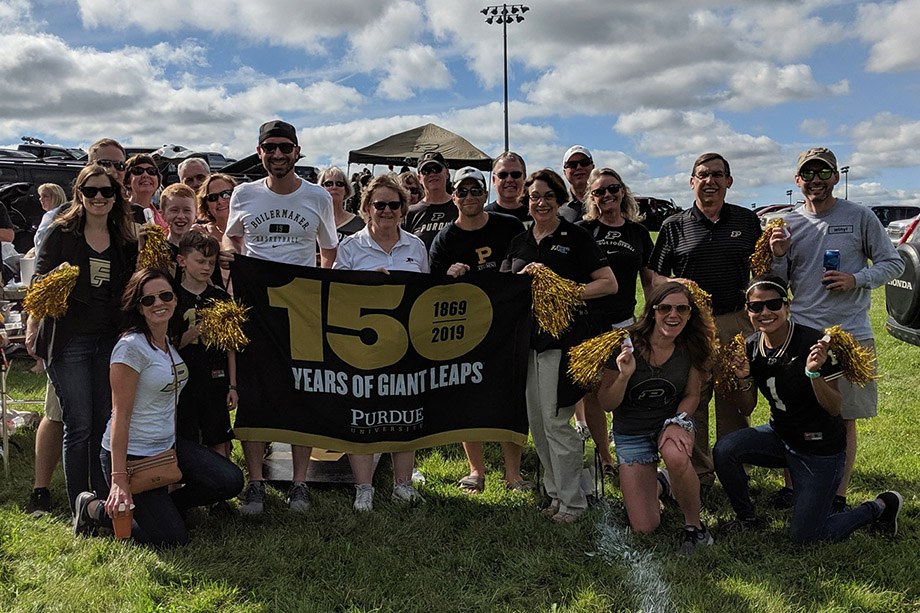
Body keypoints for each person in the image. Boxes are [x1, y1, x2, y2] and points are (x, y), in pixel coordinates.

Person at [713, 275, 903, 543]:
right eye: (756, 307)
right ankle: (747, 518)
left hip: (819, 448)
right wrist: (743, 378)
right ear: (748, 310)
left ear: (787, 306)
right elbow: (748, 407)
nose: (765, 312)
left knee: (807, 537)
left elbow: (835, 407)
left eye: (773, 304)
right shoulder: (751, 346)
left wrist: (813, 374)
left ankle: (880, 507)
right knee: (725, 449)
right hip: (781, 436)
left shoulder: (812, 344)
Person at [768, 147, 904, 511]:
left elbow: (893, 263)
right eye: (808, 174)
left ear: (836, 177)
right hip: (802, 332)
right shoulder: (788, 224)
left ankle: (839, 495)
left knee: (844, 417)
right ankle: (793, 488)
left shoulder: (859, 216)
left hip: (851, 334)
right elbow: (778, 284)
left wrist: (856, 279)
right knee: (796, 414)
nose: (816, 180)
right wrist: (779, 255)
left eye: (823, 173)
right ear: (797, 181)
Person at [72, 268, 243, 546]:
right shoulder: (130, 347)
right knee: (171, 538)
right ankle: (94, 509)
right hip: (132, 457)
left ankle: (160, 508)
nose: (158, 303)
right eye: (148, 300)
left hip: (167, 448)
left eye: (165, 295)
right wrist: (118, 479)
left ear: (175, 300)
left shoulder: (168, 343)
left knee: (230, 480)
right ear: (138, 307)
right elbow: (120, 416)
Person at [222, 119, 338, 514]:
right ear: (260, 153)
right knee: (254, 394)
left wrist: (317, 293)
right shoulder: (243, 194)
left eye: (284, 147)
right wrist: (231, 262)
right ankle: (255, 481)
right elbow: (232, 237)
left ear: (297, 151)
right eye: (269, 147)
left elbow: (329, 251)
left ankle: (300, 482)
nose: (277, 154)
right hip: (255, 309)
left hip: (301, 309)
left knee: (301, 392)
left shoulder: (318, 196)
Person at [500, 169, 617, 522]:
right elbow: (504, 288)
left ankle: (573, 502)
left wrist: (562, 288)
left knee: (556, 422)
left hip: (562, 341)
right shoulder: (520, 241)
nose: (540, 203)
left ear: (559, 199)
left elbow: (608, 283)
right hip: (527, 343)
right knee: (537, 423)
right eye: (534, 196)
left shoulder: (576, 237)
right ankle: (555, 493)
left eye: (548, 196)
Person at [25, 164, 138, 517]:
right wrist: (33, 323)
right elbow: (38, 286)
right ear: (80, 194)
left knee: (105, 418)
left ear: (116, 196)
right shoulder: (61, 233)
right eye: (91, 191)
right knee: (79, 422)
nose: (99, 198)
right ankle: (81, 504)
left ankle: (104, 499)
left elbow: (132, 289)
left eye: (107, 191)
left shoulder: (124, 238)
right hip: (68, 338)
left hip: (110, 340)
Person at [647, 152, 761, 487]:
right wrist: (674, 287)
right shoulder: (674, 225)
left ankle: (735, 467)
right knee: (692, 398)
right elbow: (655, 276)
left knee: (734, 396)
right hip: (691, 326)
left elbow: (762, 270)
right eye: (702, 175)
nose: (709, 181)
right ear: (691, 181)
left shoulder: (746, 221)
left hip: (735, 320)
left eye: (717, 174)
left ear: (729, 181)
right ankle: (698, 473)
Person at [428, 167, 529, 494]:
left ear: (486, 194)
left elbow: (525, 265)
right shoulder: (446, 239)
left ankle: (513, 474)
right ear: (453, 196)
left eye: (476, 190)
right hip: (465, 327)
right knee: (467, 394)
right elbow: (432, 288)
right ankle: (476, 470)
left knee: (510, 397)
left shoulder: (509, 226)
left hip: (507, 325)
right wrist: (448, 274)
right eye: (463, 191)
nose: (469, 196)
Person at [598, 282, 716, 552]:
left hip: (669, 424)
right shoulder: (624, 344)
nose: (672, 315)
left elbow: (692, 396)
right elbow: (607, 403)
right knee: (645, 526)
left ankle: (695, 527)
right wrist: (624, 375)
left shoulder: (694, 346)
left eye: (681, 309)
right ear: (652, 311)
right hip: (631, 433)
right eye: (665, 308)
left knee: (675, 454)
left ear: (690, 314)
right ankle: (662, 482)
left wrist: (677, 422)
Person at [333, 174, 428, 510]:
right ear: (366, 208)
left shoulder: (416, 246)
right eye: (380, 204)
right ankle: (364, 487)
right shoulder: (350, 247)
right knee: (362, 413)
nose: (387, 210)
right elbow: (336, 297)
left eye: (394, 204)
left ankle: (403, 484)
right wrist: (363, 283)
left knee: (405, 413)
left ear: (403, 208)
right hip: (362, 347)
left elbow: (425, 296)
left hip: (407, 346)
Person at [575, 168, 655, 475]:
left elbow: (648, 279)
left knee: (621, 386)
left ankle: (629, 449)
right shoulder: (583, 230)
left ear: (623, 192)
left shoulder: (637, 233)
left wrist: (649, 317)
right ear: (591, 198)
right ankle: (605, 456)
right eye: (599, 192)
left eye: (612, 189)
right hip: (588, 324)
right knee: (592, 391)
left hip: (623, 323)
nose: (606, 196)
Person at [170, 231, 237, 459]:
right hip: (182, 377)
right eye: (200, 261)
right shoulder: (172, 296)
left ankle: (220, 489)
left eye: (211, 262)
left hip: (215, 377)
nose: (207, 267)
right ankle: (178, 491)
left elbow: (230, 346)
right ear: (182, 261)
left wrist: (233, 385)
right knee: (181, 439)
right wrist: (199, 329)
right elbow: (168, 344)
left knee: (218, 437)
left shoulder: (220, 297)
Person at [404, 151, 457, 249]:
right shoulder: (410, 213)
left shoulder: (460, 208)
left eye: (436, 169)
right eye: (426, 171)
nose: (432, 174)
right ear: (419, 178)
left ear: (447, 173)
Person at [484, 151, 531, 226]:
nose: (509, 180)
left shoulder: (537, 214)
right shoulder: (483, 217)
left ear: (524, 177)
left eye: (515, 174)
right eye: (503, 175)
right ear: (493, 180)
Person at [319, 166, 365, 241]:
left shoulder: (360, 223)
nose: (334, 187)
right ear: (321, 188)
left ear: (346, 190)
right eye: (328, 184)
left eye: (339, 184)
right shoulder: (313, 220)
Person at [125, 154, 167, 230]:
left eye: (151, 171)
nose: (145, 175)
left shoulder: (165, 221)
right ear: (127, 182)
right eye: (138, 171)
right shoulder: (118, 213)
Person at [559, 145, 595, 222]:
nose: (579, 167)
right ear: (564, 172)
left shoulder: (607, 201)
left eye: (584, 163)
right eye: (572, 165)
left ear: (593, 167)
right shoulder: (557, 206)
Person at [160, 183, 197, 249]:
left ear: (196, 216)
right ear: (163, 215)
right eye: (174, 210)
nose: (181, 216)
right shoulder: (159, 251)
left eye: (186, 210)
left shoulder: (203, 251)